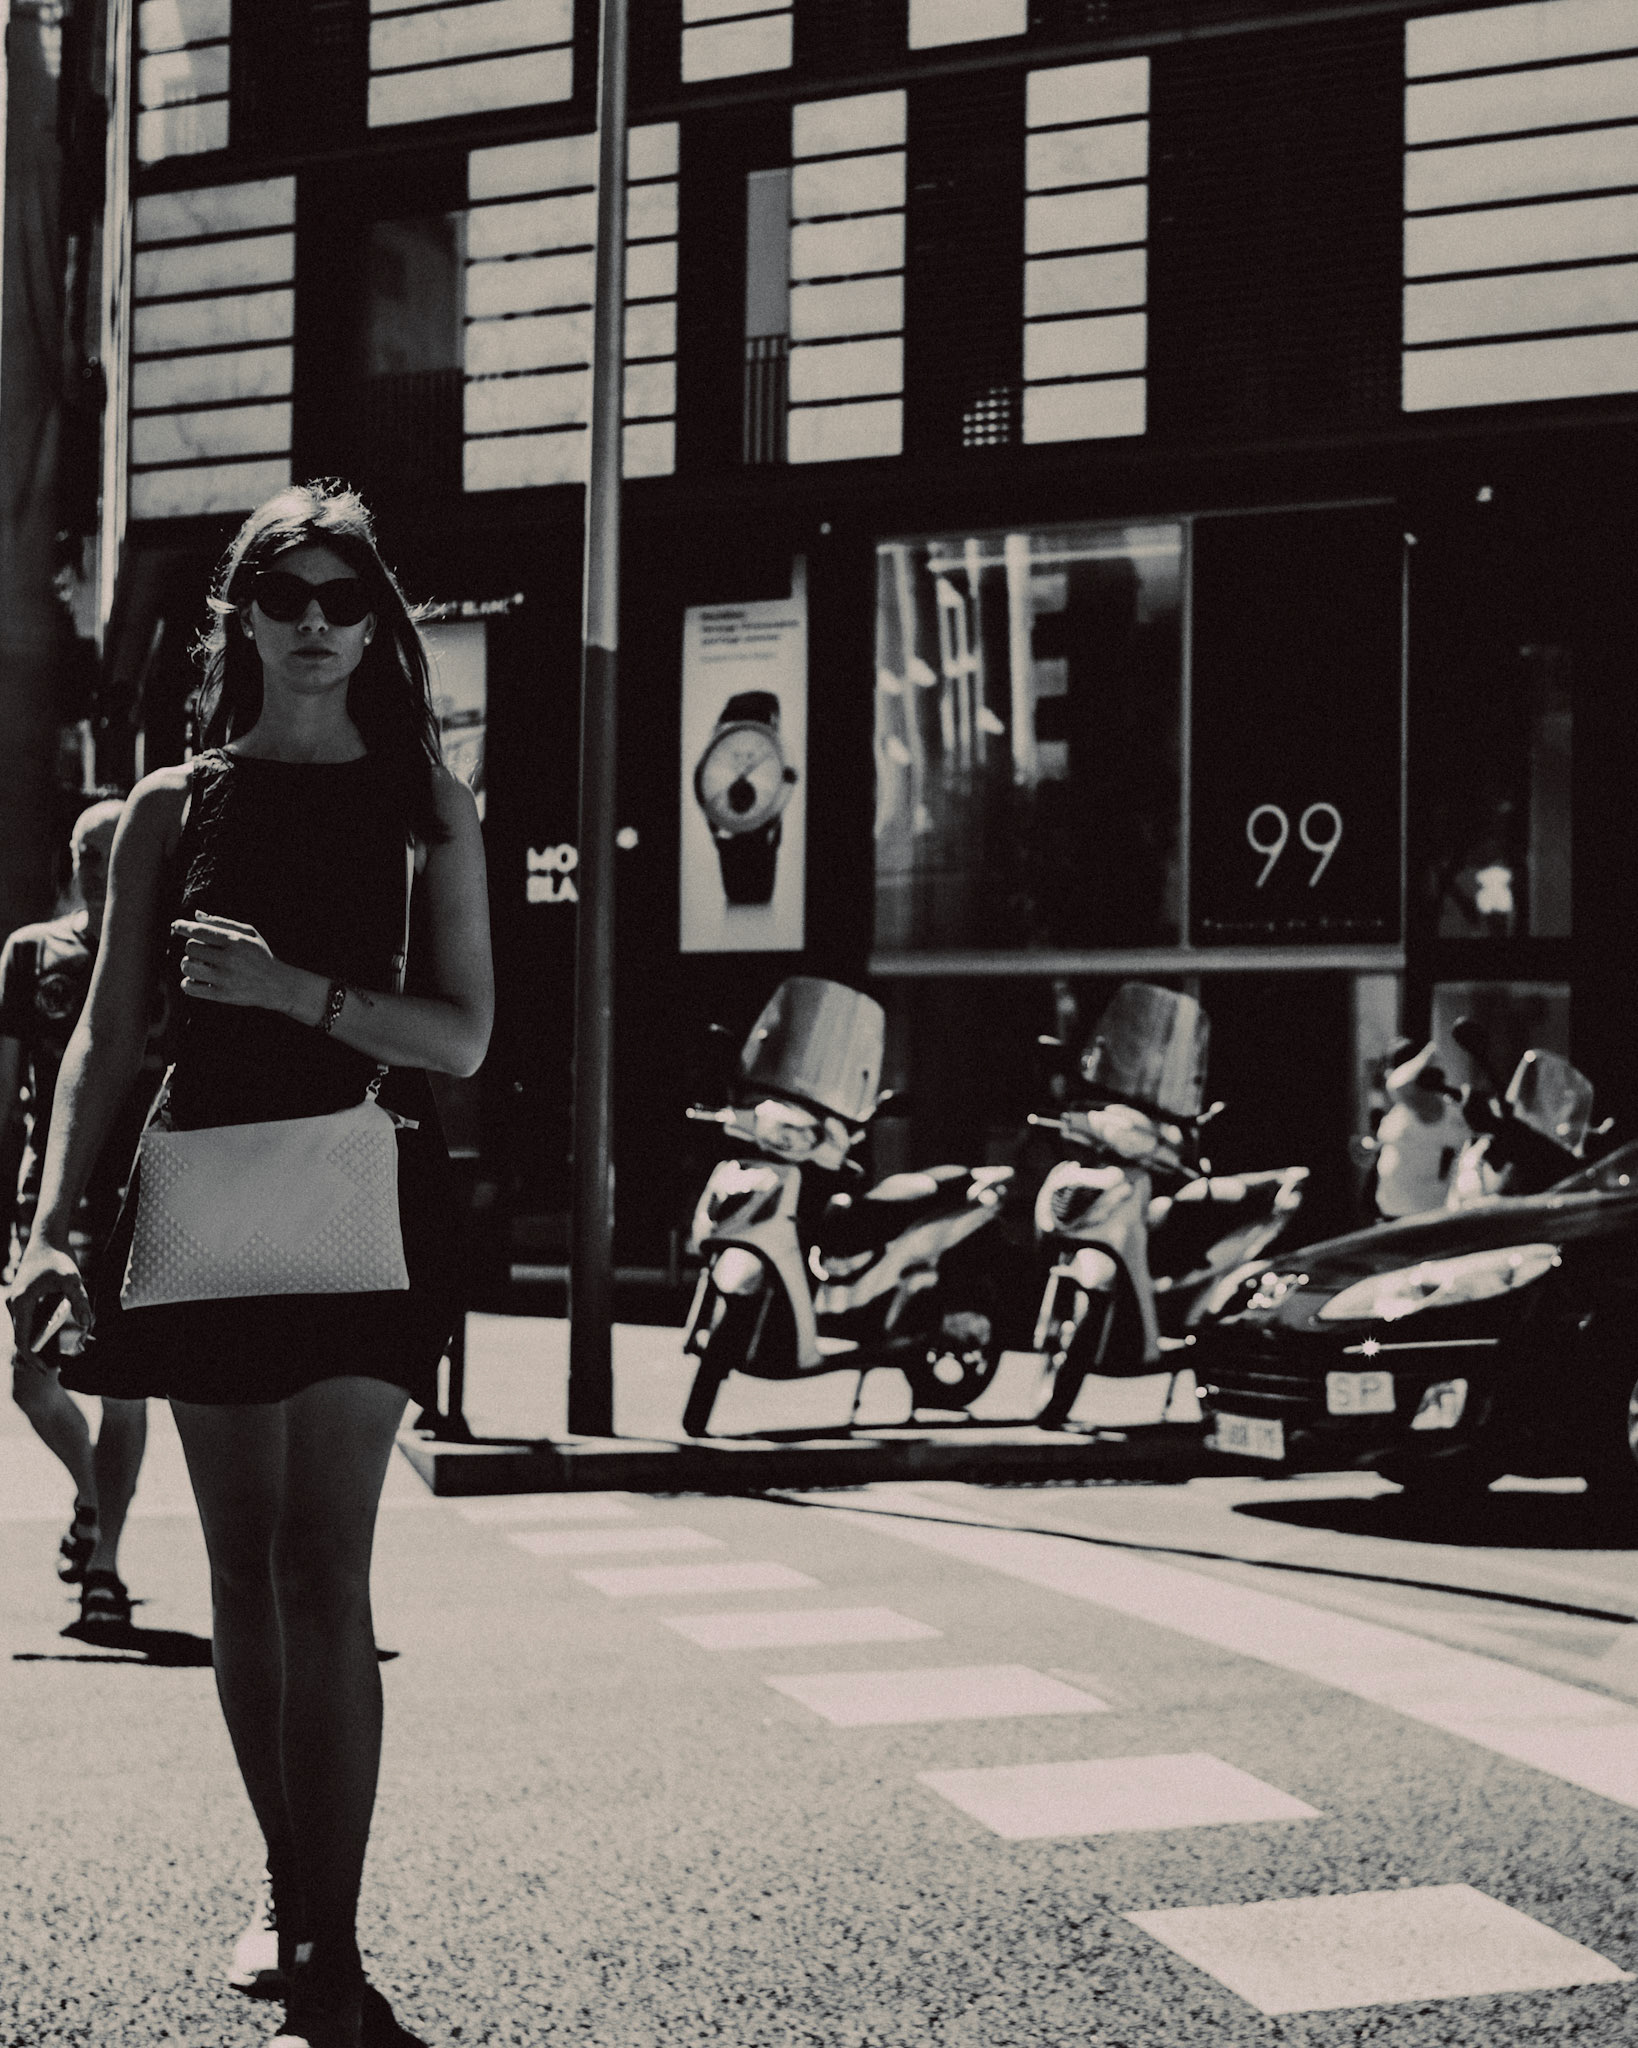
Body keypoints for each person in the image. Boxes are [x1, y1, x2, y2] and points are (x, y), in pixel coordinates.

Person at [6, 480, 494, 2048]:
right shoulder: (170, 804)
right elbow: (101, 1034)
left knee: (320, 1568)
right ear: (240, 617)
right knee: (237, 1572)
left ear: (377, 623)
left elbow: (462, 1038)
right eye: (283, 595)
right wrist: (48, 1223)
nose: (312, 622)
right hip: (197, 1189)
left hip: (360, 1186)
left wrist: (294, 993)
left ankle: (332, 1951)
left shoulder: (427, 801)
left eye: (342, 598)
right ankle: (287, 1893)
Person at [1, 797, 155, 1627]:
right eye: (87, 854)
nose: (99, 868)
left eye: (115, 852)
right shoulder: (31, 954)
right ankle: (95, 1496)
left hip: (143, 1199)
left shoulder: (169, 954)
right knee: (31, 1381)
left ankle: (106, 1565)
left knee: (124, 1390)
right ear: (71, 863)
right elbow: (7, 1097)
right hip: (50, 1200)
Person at [1374, 1038, 1470, 1220]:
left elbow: (1397, 1083)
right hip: (1393, 1214)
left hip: (1419, 1219)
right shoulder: (1402, 1109)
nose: (1387, 1074)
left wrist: (1427, 1054)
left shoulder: (1426, 1104)